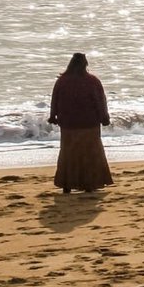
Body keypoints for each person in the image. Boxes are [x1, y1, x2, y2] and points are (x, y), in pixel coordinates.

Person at [47, 52, 112, 193]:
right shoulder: (92, 81)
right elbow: (100, 101)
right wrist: (104, 117)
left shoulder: (62, 81)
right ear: (85, 65)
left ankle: (67, 185)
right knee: (90, 153)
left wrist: (53, 116)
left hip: (68, 124)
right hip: (89, 123)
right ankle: (89, 184)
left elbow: (55, 100)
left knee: (68, 154)